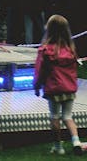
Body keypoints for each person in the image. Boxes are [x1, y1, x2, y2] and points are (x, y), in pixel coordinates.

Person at [34, 14, 82, 155]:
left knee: (55, 116)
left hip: (54, 88)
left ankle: (58, 147)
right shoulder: (71, 50)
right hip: (69, 89)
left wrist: (36, 86)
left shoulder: (45, 51)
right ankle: (76, 141)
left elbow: (39, 70)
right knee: (68, 116)